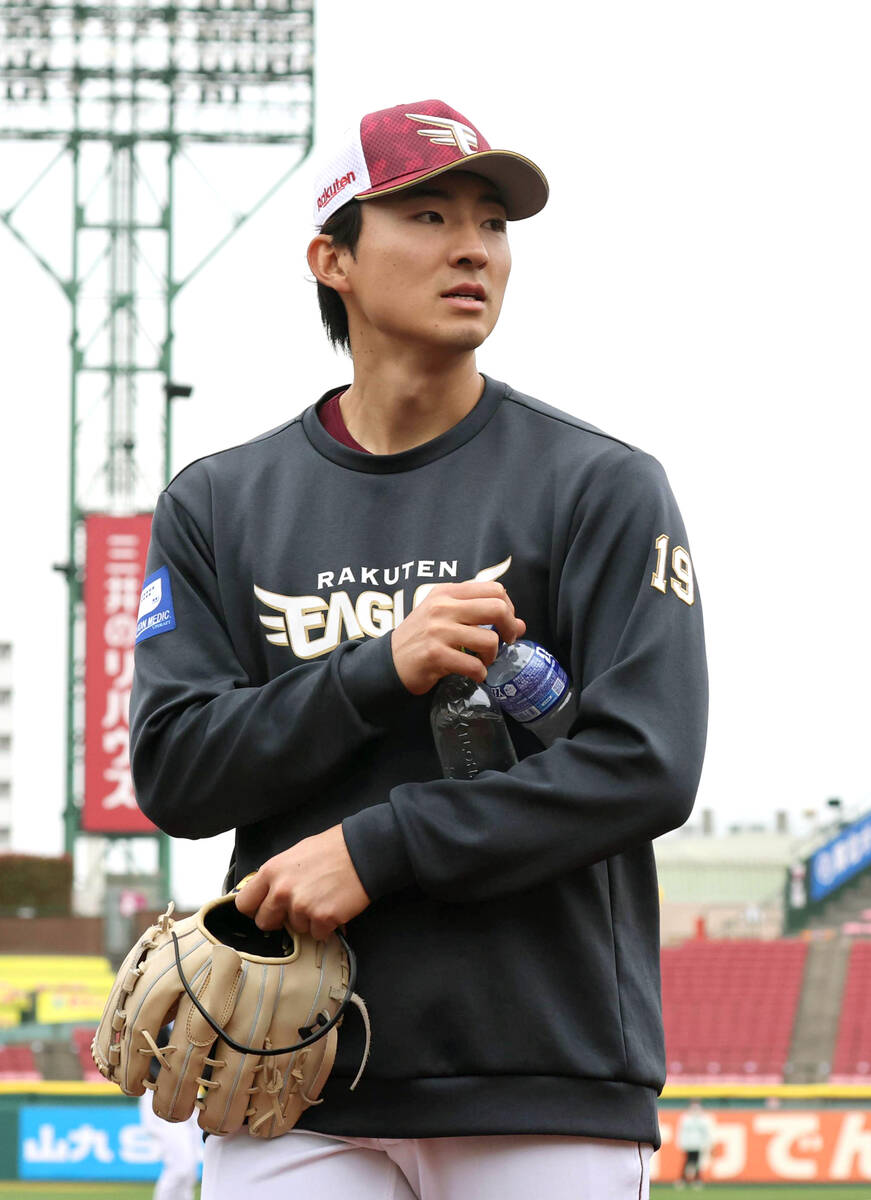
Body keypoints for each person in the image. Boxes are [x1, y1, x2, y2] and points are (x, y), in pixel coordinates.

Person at [130, 98, 708, 1200]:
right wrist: (376, 668)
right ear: (331, 257)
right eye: (429, 213)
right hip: (292, 1080)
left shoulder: (598, 485)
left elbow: (646, 762)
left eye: (492, 223)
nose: (471, 248)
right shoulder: (218, 503)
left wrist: (378, 847)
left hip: (540, 1071)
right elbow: (177, 770)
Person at [675, 1101, 714, 1188]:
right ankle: (683, 1179)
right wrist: (681, 1143)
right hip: (688, 1145)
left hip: (697, 1145)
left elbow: (705, 1133)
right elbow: (682, 1132)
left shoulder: (702, 1119)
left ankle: (697, 1179)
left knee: (696, 1163)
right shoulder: (686, 1119)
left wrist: (706, 1144)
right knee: (687, 1162)